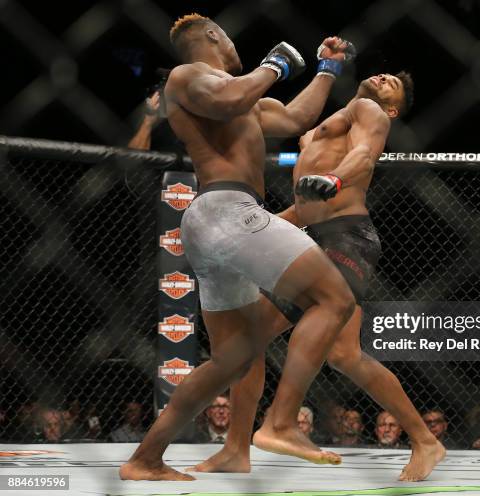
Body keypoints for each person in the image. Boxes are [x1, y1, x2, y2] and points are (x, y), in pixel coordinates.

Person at [120, 13, 356, 481]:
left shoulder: (243, 95)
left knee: (235, 357)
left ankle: (149, 458)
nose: (233, 42)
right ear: (212, 35)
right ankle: (282, 424)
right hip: (227, 210)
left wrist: (326, 69)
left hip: (223, 224)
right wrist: (273, 66)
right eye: (226, 33)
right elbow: (228, 99)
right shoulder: (190, 78)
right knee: (336, 298)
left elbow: (294, 117)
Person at [194, 71, 445, 481]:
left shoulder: (370, 113)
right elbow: (303, 206)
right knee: (342, 355)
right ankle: (237, 448)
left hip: (347, 240)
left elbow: (364, 155)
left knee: (256, 335)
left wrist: (335, 178)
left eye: (392, 85)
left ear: (393, 108)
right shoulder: (329, 124)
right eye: (382, 75)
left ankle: (280, 423)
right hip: (311, 237)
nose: (382, 79)